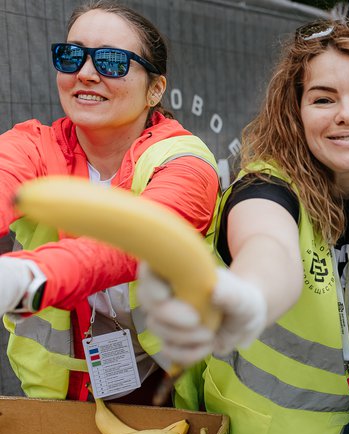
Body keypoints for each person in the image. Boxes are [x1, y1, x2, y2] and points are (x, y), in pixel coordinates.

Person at [137, 19, 349, 434]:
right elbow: (267, 251)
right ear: (294, 111)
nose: (347, 113)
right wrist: (250, 297)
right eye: (323, 99)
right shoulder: (265, 187)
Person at [0, 0, 219, 405]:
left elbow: (136, 240)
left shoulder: (185, 163)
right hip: (57, 402)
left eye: (112, 62)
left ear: (155, 89)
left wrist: (27, 277)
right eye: (71, 56)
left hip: (169, 397)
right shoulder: (31, 145)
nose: (85, 74)